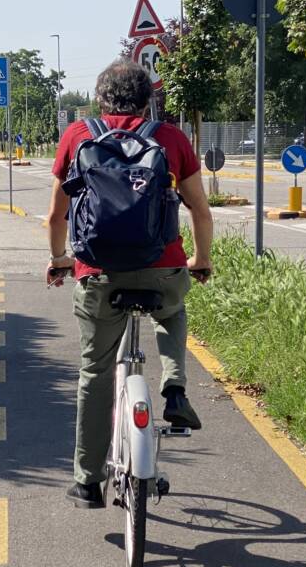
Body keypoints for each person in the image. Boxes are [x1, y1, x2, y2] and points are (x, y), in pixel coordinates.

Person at [46, 59, 214, 509]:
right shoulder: (171, 138)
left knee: (95, 371)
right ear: (147, 100)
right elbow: (200, 210)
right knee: (173, 309)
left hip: (98, 274)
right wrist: (201, 259)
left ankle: (86, 481)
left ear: (101, 98)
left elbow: (57, 214)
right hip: (163, 269)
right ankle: (174, 386)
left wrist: (60, 259)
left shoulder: (79, 136)